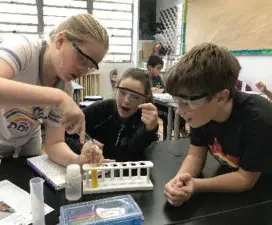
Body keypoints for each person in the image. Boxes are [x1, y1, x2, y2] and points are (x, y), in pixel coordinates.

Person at [0, 14, 109, 166]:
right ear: (60, 40)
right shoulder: (23, 48)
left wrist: (78, 161)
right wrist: (57, 97)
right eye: (83, 59)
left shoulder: (64, 86)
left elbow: (54, 144)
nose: (84, 71)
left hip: (27, 144)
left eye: (91, 67)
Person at [164, 43, 272, 206]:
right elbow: (195, 155)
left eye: (185, 102)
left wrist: (196, 185)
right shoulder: (201, 114)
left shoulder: (259, 119)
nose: (179, 111)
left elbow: (245, 179)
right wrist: (179, 181)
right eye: (176, 101)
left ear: (221, 97)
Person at [66, 68, 159, 162]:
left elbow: (143, 158)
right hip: (93, 172)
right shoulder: (100, 110)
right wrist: (82, 146)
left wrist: (150, 130)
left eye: (135, 97)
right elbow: (63, 137)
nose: (126, 101)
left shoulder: (146, 121)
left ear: (145, 99)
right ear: (116, 89)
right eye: (122, 92)